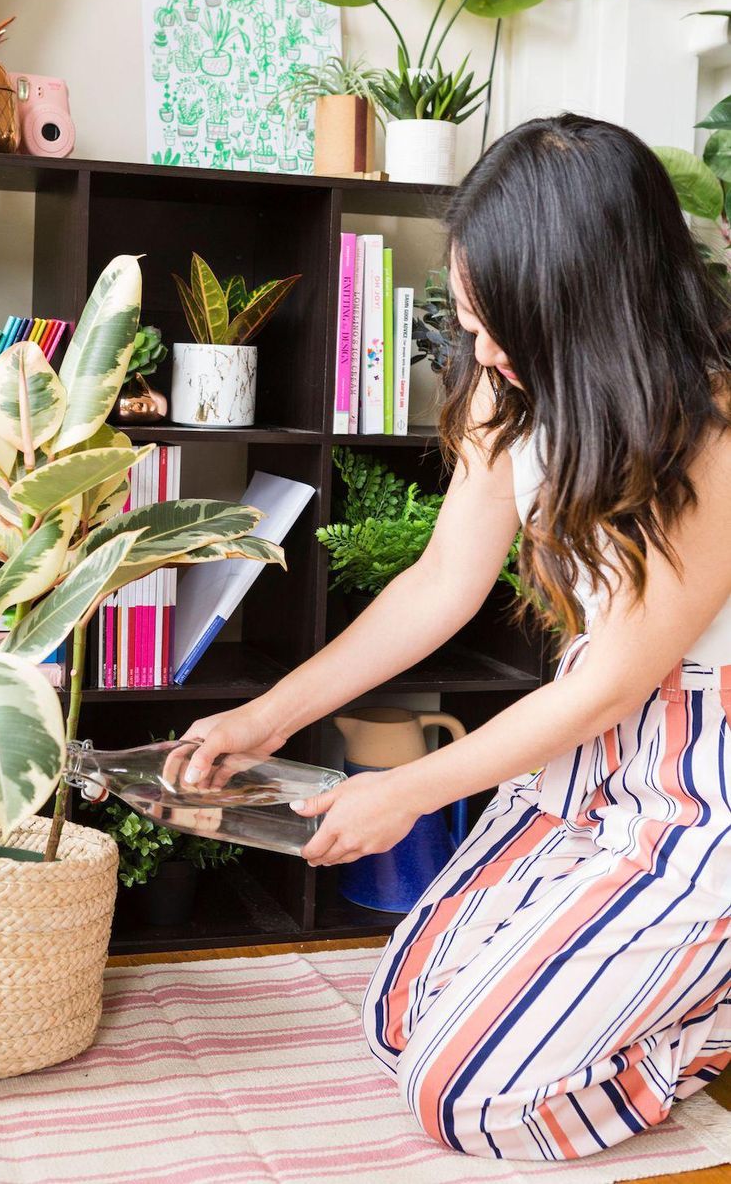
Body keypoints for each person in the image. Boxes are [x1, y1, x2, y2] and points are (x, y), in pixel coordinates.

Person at [180, 114, 731, 1162]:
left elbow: (614, 681)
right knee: (397, 1019)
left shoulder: (706, 426)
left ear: (580, 304)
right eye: (470, 319)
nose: (476, 348)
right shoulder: (507, 387)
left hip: (701, 780)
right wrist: (262, 717)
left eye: (496, 322)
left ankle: (705, 1011)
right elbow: (439, 584)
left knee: (463, 1099)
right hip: (588, 765)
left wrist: (404, 792)